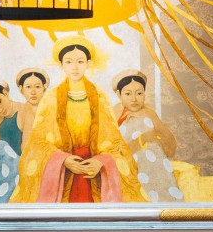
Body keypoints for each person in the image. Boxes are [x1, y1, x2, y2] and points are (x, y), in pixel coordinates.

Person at [13, 39, 143, 204]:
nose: (75, 67)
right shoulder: (51, 98)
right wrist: (63, 160)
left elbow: (114, 140)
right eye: (69, 62)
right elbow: (38, 142)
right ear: (61, 65)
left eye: (80, 61)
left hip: (93, 167)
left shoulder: (99, 96)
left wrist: (101, 161)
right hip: (63, 168)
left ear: (88, 63)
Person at [113, 70, 183, 203]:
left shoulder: (149, 113)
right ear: (118, 94)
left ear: (144, 93)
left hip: (157, 169)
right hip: (130, 170)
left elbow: (171, 149)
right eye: (128, 94)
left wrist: (157, 132)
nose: (134, 99)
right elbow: (117, 152)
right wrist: (144, 138)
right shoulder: (115, 115)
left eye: (139, 93)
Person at [14, 67, 48, 141]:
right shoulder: (19, 113)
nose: (33, 92)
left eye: (37, 87)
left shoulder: (52, 110)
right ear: (21, 90)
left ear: (44, 88)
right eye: (28, 87)